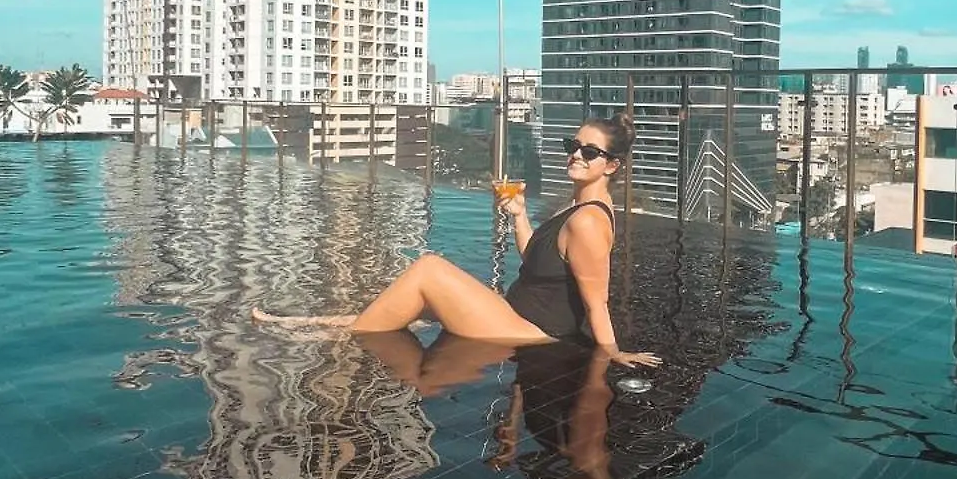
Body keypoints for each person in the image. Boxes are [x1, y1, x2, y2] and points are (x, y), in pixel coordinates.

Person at [253, 113, 661, 370]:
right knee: (412, 307)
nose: (576, 156)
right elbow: (537, 261)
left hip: (530, 330)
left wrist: (611, 353)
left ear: (611, 165)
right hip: (513, 313)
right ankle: (315, 326)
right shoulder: (573, 207)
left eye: (589, 152)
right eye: (573, 146)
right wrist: (519, 215)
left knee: (429, 269)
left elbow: (597, 301)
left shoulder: (588, 221)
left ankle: (322, 332)